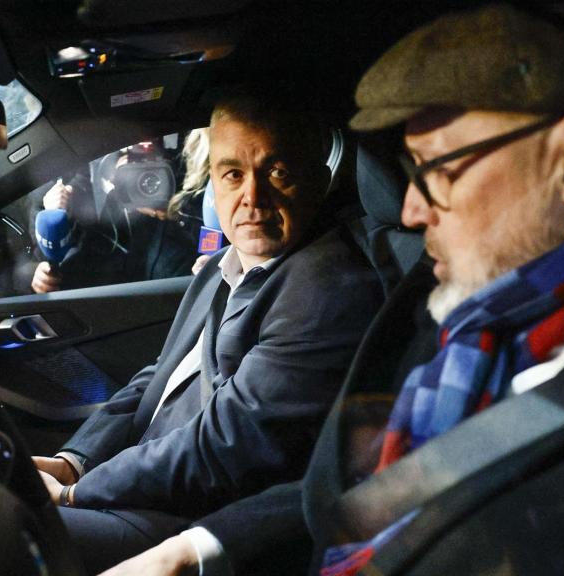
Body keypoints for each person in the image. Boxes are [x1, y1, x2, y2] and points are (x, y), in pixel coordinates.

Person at [103, 2, 564, 575]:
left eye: (435, 170)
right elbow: (384, 485)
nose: (412, 212)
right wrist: (200, 546)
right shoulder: (484, 311)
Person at [32, 91, 385, 573]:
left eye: (277, 172)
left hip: (186, 518)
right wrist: (74, 459)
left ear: (318, 183)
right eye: (234, 174)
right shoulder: (224, 265)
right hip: (138, 487)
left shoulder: (328, 289)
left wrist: (76, 493)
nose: (252, 197)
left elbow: (223, 448)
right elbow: (159, 377)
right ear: (214, 185)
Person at [29, 131, 207, 293]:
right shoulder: (79, 171)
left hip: (169, 278)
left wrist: (176, 211)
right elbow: (51, 243)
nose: (143, 177)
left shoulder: (190, 165)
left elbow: (210, 233)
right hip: (107, 280)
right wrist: (42, 271)